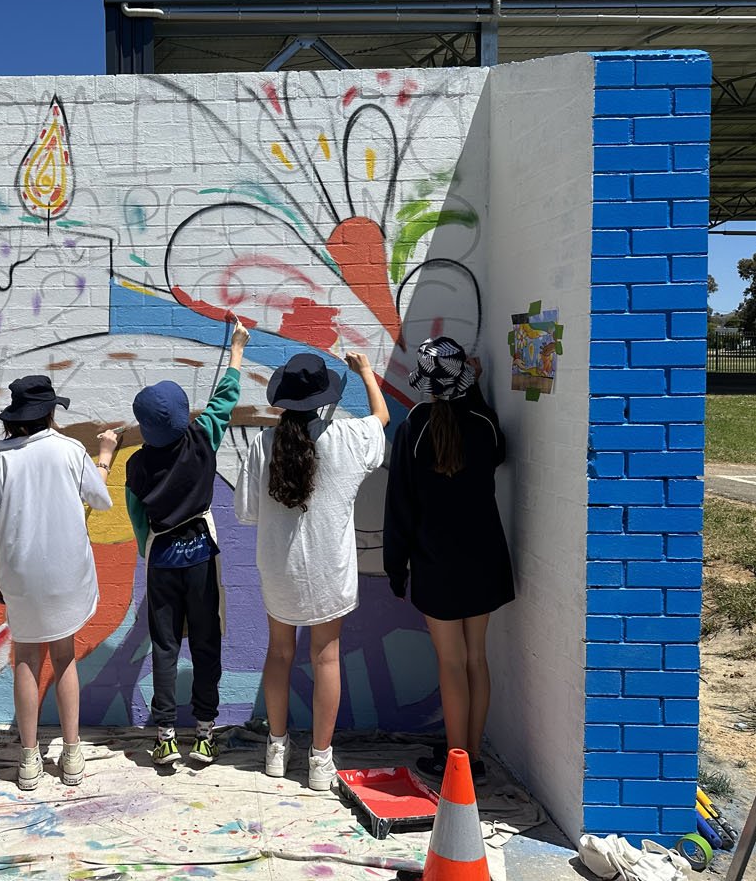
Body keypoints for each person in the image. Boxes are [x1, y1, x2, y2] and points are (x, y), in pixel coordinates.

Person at [236, 351, 389, 790]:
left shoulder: (262, 445)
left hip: (279, 569)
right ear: (324, 400)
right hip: (329, 569)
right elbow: (381, 416)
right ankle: (321, 761)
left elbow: (247, 513)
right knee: (326, 657)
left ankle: (276, 749)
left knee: (279, 653)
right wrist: (364, 372)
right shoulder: (349, 437)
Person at [0, 376, 118, 789]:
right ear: (51, 412)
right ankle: (70, 754)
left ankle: (28, 759)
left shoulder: (0, 460)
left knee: (26, 660)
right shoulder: (70, 450)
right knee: (64, 656)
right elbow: (100, 499)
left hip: (20, 575)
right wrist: (104, 455)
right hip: (66, 572)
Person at [383, 337, 513, 785]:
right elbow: (497, 452)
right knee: (477, 658)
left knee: (450, 663)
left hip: (435, 562)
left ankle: (457, 761)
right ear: (463, 378)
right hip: (484, 558)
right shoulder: (484, 424)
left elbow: (399, 503)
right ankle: (472, 755)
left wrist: (395, 567)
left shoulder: (413, 427)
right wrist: (474, 386)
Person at [125, 320, 252, 766]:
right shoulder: (201, 440)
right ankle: (203, 733)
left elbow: (137, 517)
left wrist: (148, 548)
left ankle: (163, 735)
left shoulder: (137, 465)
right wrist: (236, 348)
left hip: (161, 559)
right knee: (205, 642)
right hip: (201, 554)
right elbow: (225, 399)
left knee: (164, 645)